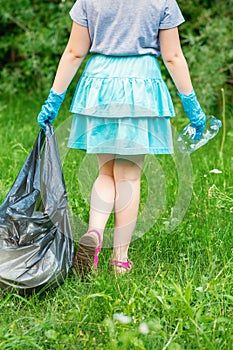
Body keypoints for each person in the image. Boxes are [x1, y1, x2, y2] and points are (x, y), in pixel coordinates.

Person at [37, 0, 206, 276]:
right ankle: (119, 259)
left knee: (106, 172)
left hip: (99, 85)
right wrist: (192, 104)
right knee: (128, 176)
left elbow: (74, 52)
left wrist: (54, 98)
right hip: (140, 86)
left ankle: (93, 233)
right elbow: (173, 56)